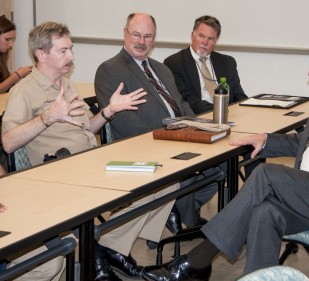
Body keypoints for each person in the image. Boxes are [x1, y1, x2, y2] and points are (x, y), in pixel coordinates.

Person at [141, 36, 309, 280]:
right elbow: (303, 143)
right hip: (308, 194)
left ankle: (196, 261)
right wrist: (265, 140)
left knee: (265, 174)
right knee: (265, 212)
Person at [1, 21, 174, 281]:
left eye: (71, 49)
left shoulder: (67, 86)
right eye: (63, 51)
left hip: (92, 164)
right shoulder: (24, 91)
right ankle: (99, 249)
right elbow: (8, 142)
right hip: (60, 175)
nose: (71, 56)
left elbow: (87, 127)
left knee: (163, 179)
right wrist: (47, 117)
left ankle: (105, 246)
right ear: (41, 54)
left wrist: (108, 111)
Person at [95, 13, 220, 230]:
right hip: (144, 146)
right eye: (136, 35)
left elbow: (181, 104)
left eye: (148, 36)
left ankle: (175, 209)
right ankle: (188, 221)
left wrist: (200, 127)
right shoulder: (109, 69)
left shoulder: (160, 68)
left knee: (221, 164)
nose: (142, 42)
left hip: (179, 135)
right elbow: (124, 123)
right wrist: (170, 138)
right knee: (186, 176)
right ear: (125, 34)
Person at [163, 15, 247, 115]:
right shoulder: (174, 63)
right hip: (198, 117)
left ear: (216, 41)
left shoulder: (227, 62)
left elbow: (239, 95)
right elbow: (185, 99)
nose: (205, 42)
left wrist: (248, 107)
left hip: (228, 115)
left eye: (210, 38)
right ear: (192, 35)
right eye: (201, 36)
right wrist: (218, 110)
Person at [0, 15, 32, 172]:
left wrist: (17, 81)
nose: (11, 44)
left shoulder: (2, 57)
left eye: (12, 40)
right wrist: (16, 75)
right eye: (7, 39)